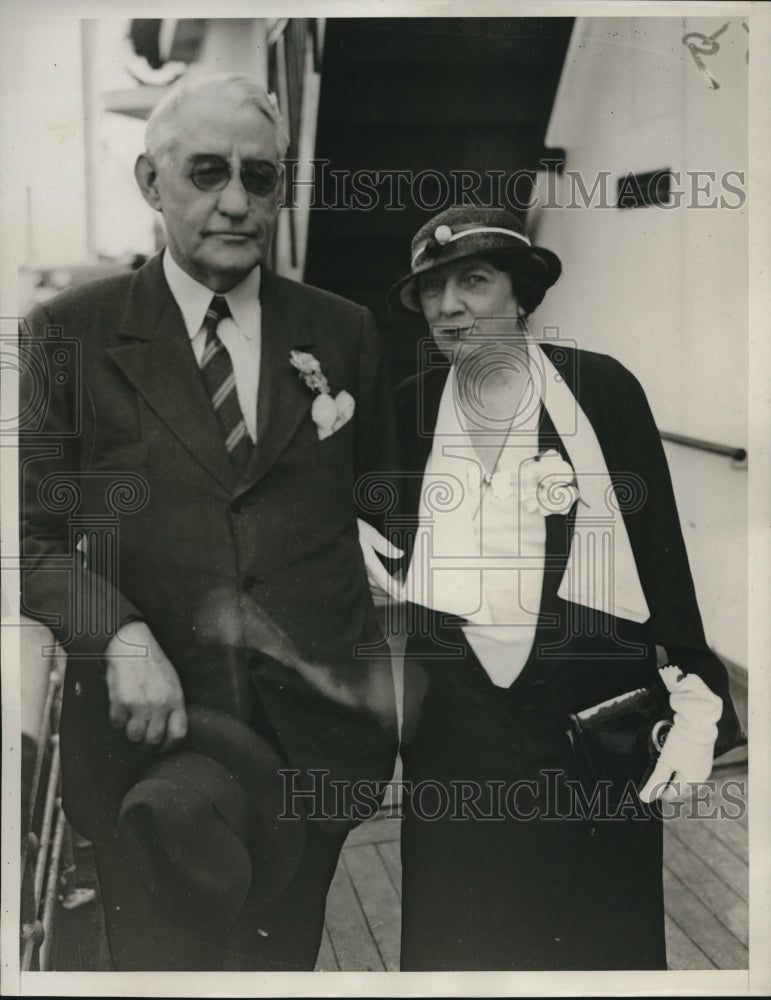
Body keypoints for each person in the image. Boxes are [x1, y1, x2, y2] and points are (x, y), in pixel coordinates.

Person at [19, 72, 401, 971]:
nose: (235, 201)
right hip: (151, 752)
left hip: (312, 745)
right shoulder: (68, 333)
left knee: (282, 965)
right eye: (205, 173)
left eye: (259, 177)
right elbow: (27, 544)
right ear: (152, 184)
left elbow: (395, 512)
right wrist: (118, 634)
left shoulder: (343, 332)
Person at [385, 206, 743, 971]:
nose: (449, 306)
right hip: (456, 720)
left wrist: (693, 690)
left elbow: (657, 549)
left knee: (595, 929)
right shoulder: (408, 409)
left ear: (521, 294)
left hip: (585, 706)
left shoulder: (598, 389)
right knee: (459, 927)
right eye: (431, 290)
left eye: (473, 281)